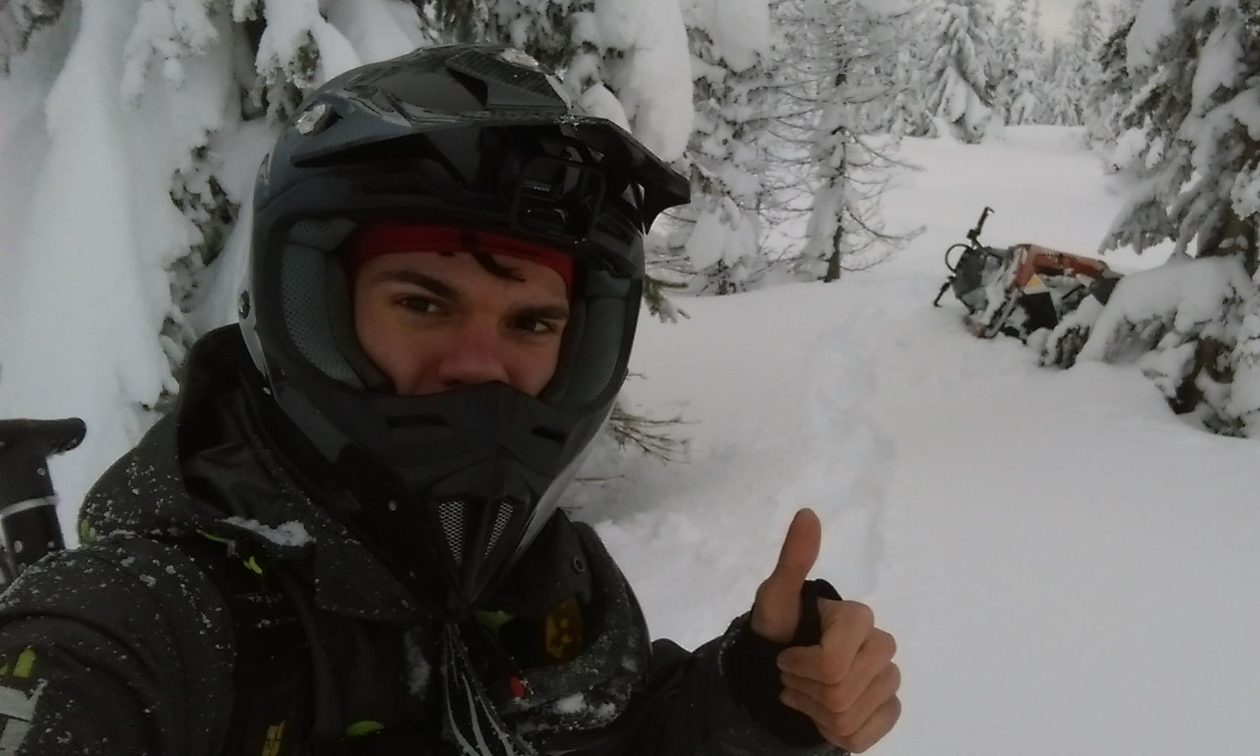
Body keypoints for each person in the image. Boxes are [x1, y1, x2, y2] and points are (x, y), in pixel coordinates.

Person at [0, 44, 900, 755]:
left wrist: (761, 700)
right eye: (424, 302)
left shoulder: (545, 578)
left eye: (533, 323)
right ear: (312, 309)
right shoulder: (156, 624)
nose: (483, 367)